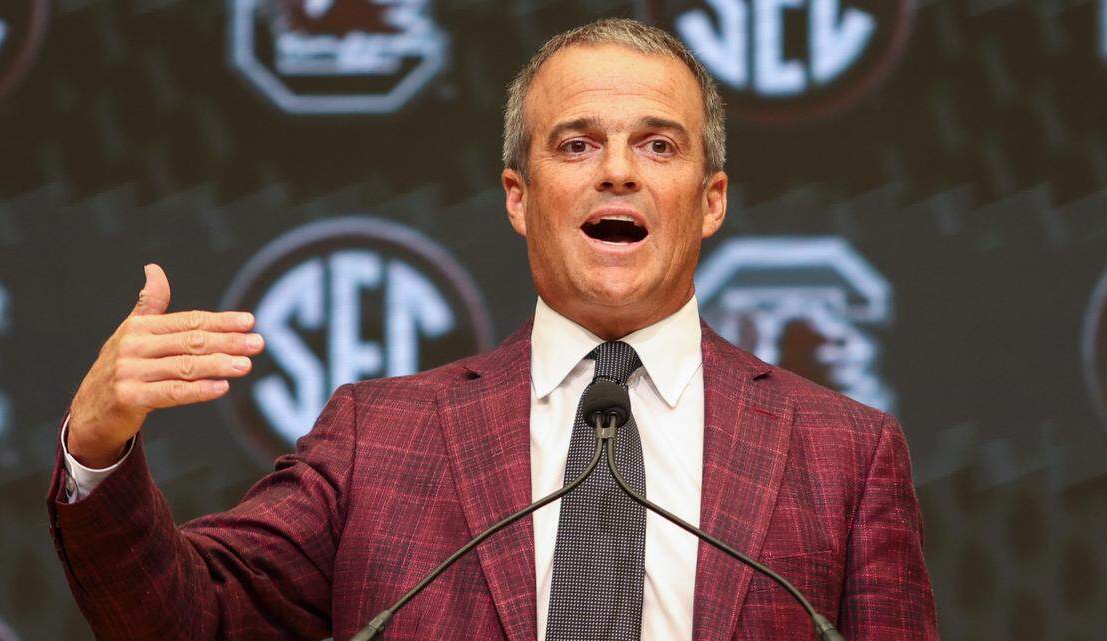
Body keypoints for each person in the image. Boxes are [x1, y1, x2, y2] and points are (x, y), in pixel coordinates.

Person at [47, 18, 938, 641]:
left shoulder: (844, 455)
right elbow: (187, 618)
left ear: (711, 202)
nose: (618, 172)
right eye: (577, 144)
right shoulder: (381, 438)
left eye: (659, 145)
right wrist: (98, 447)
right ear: (519, 197)